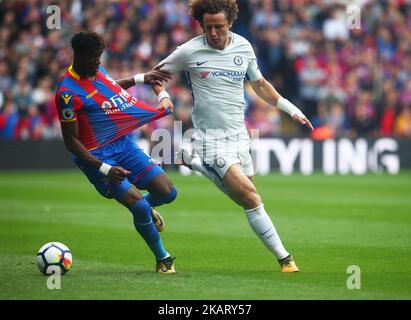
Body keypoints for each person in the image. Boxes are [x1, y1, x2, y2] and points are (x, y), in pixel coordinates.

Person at [156, 0, 314, 272]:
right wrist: (163, 95)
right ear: (201, 25)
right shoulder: (190, 50)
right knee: (251, 197)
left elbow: (260, 84)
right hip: (210, 139)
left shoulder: (243, 46)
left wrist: (290, 109)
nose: (214, 32)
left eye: (219, 26)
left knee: (242, 195)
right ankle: (285, 259)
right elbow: (156, 75)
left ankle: (195, 165)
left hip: (240, 136)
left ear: (230, 23)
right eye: (208, 27)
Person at [55, 31, 178, 273]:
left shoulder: (96, 71)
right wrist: (104, 168)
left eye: (99, 57)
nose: (98, 62)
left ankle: (146, 208)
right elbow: (71, 142)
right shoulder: (67, 93)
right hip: (96, 156)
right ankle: (162, 259)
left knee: (168, 192)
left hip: (121, 143)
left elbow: (111, 88)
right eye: (93, 57)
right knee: (139, 207)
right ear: (78, 56)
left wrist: (141, 78)